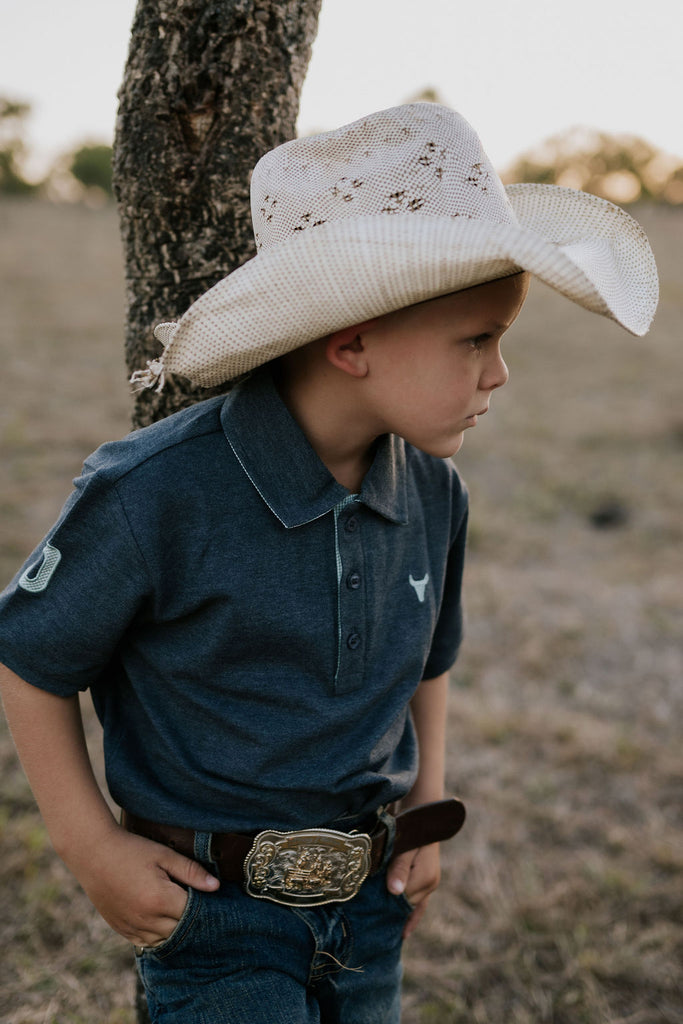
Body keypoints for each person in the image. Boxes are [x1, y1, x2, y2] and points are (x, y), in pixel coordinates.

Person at [0, 103, 657, 1023]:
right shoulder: (158, 493)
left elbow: (427, 658)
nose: (499, 374)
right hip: (212, 915)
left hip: (373, 905)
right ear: (350, 343)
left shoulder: (434, 491)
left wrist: (426, 805)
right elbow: (27, 659)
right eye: (476, 340)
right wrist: (87, 846)